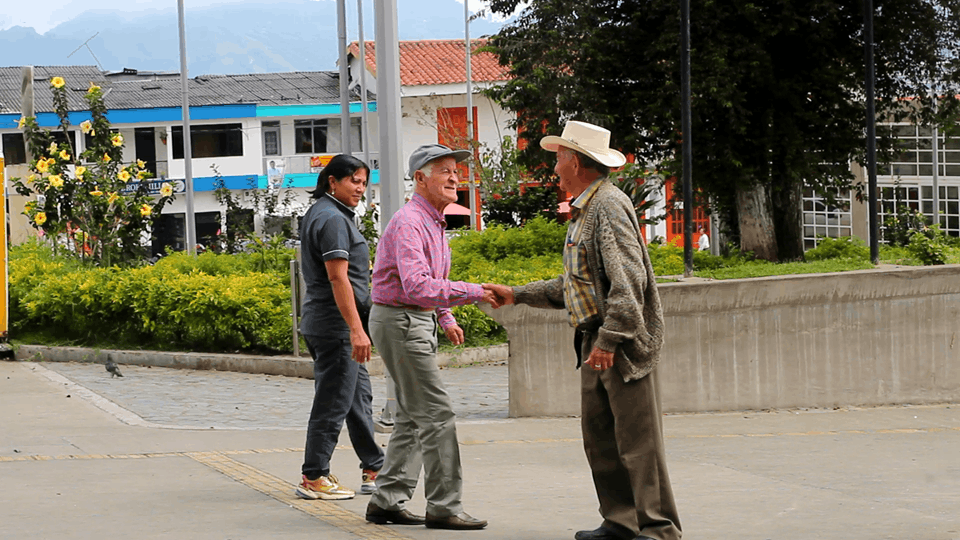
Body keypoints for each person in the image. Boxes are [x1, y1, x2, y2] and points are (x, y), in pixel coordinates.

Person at [484, 121, 682, 540]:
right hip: (594, 339)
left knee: (638, 443)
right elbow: (575, 285)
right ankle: (621, 521)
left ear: (575, 160)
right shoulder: (587, 209)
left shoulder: (607, 205)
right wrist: (516, 294)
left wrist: (611, 340)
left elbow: (629, 283)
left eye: (558, 158)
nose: (554, 168)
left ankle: (658, 529)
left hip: (619, 344)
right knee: (601, 440)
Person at [364, 144, 500, 531]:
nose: (455, 177)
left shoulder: (434, 222)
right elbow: (417, 285)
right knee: (437, 416)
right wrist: (475, 291)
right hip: (401, 321)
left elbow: (428, 283)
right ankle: (443, 506)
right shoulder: (410, 222)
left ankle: (386, 500)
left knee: (410, 414)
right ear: (420, 178)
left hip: (413, 319)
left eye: (456, 170)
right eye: (443, 170)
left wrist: (445, 316)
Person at [294, 154, 384, 501]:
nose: (360, 188)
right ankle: (314, 475)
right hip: (336, 327)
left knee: (357, 397)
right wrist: (356, 330)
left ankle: (375, 466)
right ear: (333, 181)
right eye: (353, 181)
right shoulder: (331, 218)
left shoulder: (326, 212)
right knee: (333, 401)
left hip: (334, 324)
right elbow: (337, 277)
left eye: (363, 182)